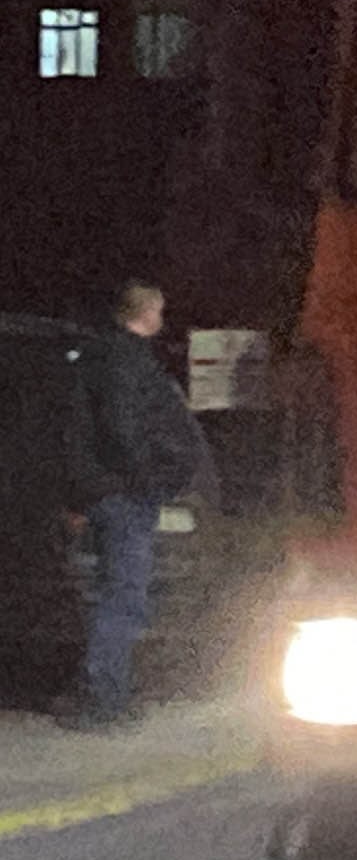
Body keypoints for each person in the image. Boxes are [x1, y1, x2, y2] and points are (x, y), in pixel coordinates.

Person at [57, 280, 211, 730]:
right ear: (144, 312)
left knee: (115, 595)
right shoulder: (125, 359)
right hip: (123, 494)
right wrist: (147, 478)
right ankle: (104, 701)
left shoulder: (101, 356)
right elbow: (122, 427)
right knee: (123, 599)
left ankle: (104, 691)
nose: (162, 318)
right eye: (158, 310)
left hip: (108, 490)